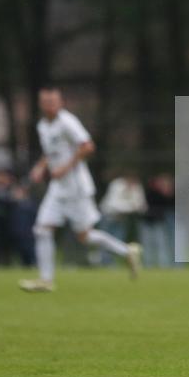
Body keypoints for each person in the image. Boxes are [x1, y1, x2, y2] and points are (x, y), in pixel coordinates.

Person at [19, 87, 141, 292]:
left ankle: (127, 251)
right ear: (41, 104)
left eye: (53, 101)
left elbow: (87, 146)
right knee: (42, 229)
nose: (49, 105)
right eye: (46, 102)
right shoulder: (42, 126)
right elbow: (50, 153)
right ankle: (46, 280)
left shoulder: (67, 122)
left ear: (60, 103)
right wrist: (40, 168)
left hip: (77, 189)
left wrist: (65, 168)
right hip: (58, 189)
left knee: (85, 237)